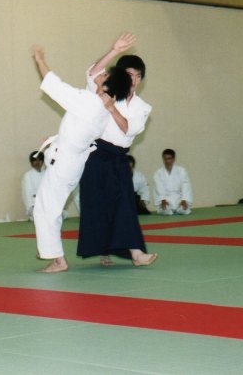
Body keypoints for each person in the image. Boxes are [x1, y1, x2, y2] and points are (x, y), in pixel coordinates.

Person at [30, 45, 132, 273]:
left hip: (65, 162)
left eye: (105, 75)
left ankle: (57, 258)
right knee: (50, 207)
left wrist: (40, 60)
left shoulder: (90, 103)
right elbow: (92, 75)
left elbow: (55, 86)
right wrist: (114, 50)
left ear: (107, 85)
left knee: (46, 209)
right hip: (71, 162)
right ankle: (49, 248)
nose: (100, 74)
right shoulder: (102, 109)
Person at [77, 33, 157, 268]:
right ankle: (104, 251)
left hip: (119, 157)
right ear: (121, 75)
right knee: (98, 205)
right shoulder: (107, 90)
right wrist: (114, 51)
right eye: (130, 74)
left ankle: (137, 253)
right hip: (96, 155)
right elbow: (92, 74)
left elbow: (129, 129)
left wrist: (112, 108)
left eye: (138, 76)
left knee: (125, 205)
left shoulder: (143, 107)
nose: (134, 80)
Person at [153, 149, 194, 215]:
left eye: (169, 158)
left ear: (174, 159)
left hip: (179, 198)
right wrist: (163, 200)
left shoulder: (181, 171)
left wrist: (184, 199)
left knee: (184, 210)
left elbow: (185, 185)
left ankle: (179, 209)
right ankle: (169, 210)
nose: (167, 161)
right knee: (166, 211)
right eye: (165, 159)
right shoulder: (158, 173)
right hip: (165, 199)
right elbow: (159, 187)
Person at [21, 151, 45, 221]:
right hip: (34, 205)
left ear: (43, 162)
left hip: (46, 204)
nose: (37, 162)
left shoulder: (46, 174)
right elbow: (26, 194)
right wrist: (30, 208)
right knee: (40, 218)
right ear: (31, 163)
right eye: (35, 160)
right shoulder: (28, 175)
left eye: (40, 160)